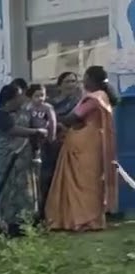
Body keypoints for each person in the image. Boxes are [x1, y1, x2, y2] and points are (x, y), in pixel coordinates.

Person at [45, 65, 119, 232]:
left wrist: (52, 118)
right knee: (92, 181)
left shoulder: (93, 98)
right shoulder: (104, 97)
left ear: (91, 80)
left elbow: (74, 117)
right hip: (96, 141)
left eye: (84, 77)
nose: (82, 81)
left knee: (82, 182)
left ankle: (82, 219)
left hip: (84, 143)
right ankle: (91, 219)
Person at [0, 82, 44, 236]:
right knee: (8, 190)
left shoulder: (24, 114)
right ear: (11, 99)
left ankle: (25, 223)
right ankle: (7, 224)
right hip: (8, 159)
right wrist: (35, 131)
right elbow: (11, 130)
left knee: (25, 191)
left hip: (24, 161)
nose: (23, 99)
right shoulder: (0, 115)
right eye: (20, 96)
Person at [41, 71, 83, 214]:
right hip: (53, 144)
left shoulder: (80, 102)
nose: (71, 84)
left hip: (74, 142)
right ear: (59, 86)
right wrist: (56, 126)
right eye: (67, 81)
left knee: (71, 177)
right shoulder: (50, 104)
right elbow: (43, 121)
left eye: (73, 81)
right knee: (50, 176)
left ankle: (69, 211)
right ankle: (48, 211)